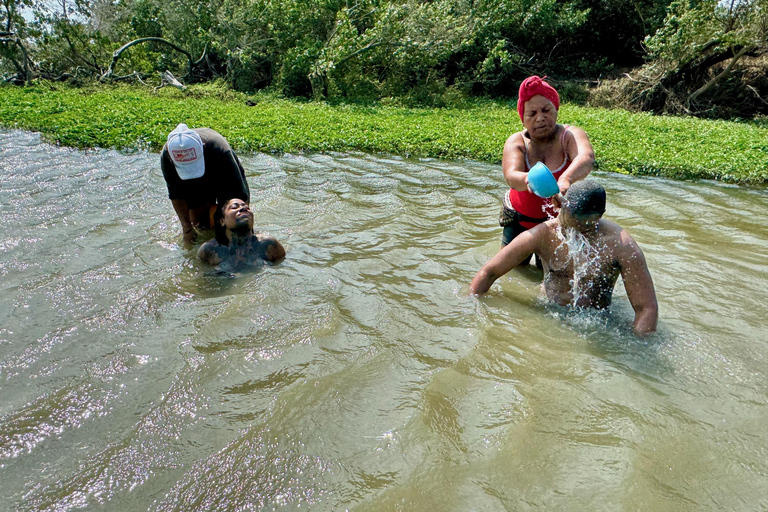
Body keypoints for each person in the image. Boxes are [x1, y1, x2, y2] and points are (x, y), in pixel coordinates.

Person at [471, 181, 658, 335]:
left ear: (600, 216)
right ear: (559, 205)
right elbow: (489, 272)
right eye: (569, 223)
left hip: (597, 321)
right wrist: (471, 306)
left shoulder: (621, 245)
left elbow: (646, 309)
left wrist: (638, 346)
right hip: (547, 311)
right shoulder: (542, 234)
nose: (575, 231)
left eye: (585, 226)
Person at [500, 76, 595, 249]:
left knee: (556, 273)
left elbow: (586, 158)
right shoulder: (517, 141)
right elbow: (511, 176)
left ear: (556, 110)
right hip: (519, 222)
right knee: (514, 271)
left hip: (559, 223)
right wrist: (530, 180)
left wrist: (566, 179)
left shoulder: (570, 135)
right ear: (523, 118)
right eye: (532, 114)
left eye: (546, 110)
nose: (540, 118)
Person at [161, 123, 250, 244]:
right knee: (198, 224)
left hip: (221, 167)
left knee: (234, 219)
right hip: (191, 180)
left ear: (202, 147)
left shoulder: (221, 150)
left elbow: (239, 197)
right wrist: (187, 229)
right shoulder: (167, 156)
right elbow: (176, 194)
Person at [197, 198, 285, 268]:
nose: (243, 209)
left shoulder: (268, 244)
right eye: (234, 207)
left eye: (247, 208)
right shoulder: (209, 250)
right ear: (222, 220)